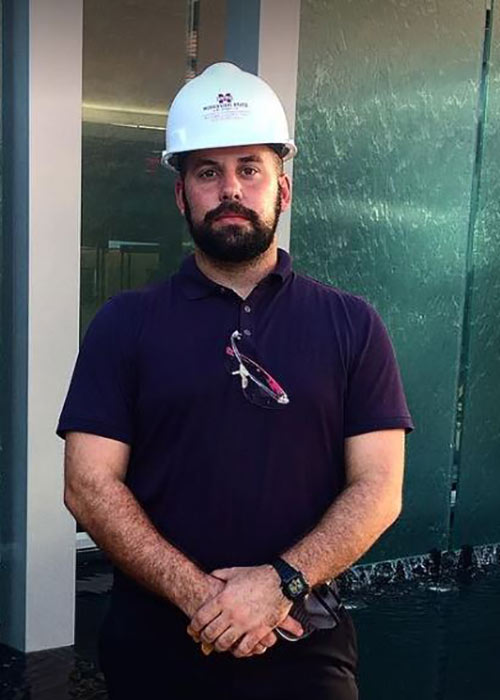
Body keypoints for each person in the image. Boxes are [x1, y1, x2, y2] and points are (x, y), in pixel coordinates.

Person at [57, 62, 414, 700]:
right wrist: (207, 601)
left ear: (284, 188)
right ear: (180, 195)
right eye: (206, 171)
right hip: (155, 649)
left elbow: (380, 488)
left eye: (249, 168)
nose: (230, 188)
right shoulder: (125, 324)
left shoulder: (352, 325)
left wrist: (275, 586)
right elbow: (88, 485)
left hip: (304, 647)